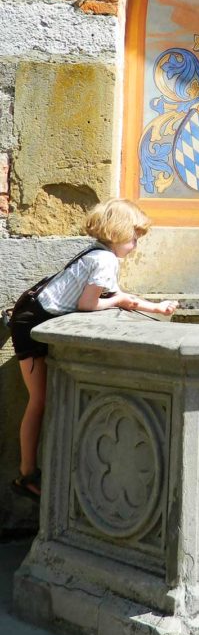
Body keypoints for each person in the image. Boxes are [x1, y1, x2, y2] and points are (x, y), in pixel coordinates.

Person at [9, 198, 178, 502]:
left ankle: (30, 472)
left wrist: (157, 307)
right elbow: (90, 304)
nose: (136, 244)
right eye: (133, 236)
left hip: (32, 314)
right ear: (118, 231)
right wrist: (118, 302)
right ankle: (27, 474)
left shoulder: (98, 253)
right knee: (39, 399)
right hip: (29, 323)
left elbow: (117, 295)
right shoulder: (104, 260)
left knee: (42, 398)